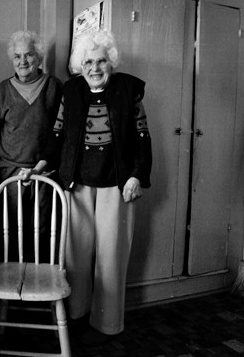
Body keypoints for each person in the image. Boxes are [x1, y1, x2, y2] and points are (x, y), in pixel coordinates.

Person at [20, 30, 152, 344]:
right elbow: (57, 133)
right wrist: (42, 164)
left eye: (102, 60)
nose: (95, 67)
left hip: (116, 184)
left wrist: (136, 175)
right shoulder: (71, 90)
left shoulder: (128, 89)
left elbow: (142, 136)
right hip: (75, 182)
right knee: (74, 255)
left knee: (111, 257)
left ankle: (107, 324)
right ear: (81, 65)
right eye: (89, 61)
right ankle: (75, 315)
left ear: (112, 63)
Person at [0, 30, 63, 261]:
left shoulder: (54, 87)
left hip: (45, 173)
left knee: (43, 231)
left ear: (39, 58)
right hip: (10, 171)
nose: (23, 61)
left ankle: (39, 286)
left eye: (28, 55)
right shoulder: (2, 89)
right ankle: (11, 286)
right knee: (10, 231)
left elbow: (62, 132)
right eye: (17, 56)